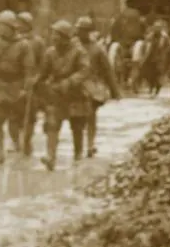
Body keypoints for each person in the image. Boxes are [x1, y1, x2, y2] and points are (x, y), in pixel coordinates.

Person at [37, 19, 90, 171]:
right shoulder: (50, 53)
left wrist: (70, 81)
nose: (53, 38)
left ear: (65, 37)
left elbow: (85, 71)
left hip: (76, 93)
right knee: (52, 124)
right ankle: (50, 156)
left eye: (57, 35)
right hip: (57, 94)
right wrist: (36, 83)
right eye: (53, 34)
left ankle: (78, 154)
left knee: (77, 126)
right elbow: (44, 73)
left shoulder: (79, 52)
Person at [0, 10, 33, 166]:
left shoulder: (23, 45)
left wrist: (25, 89)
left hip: (15, 87)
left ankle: (18, 147)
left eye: (1, 25)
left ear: (10, 27)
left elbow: (28, 69)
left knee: (14, 123)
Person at [75, 16, 120, 158]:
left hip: (93, 85)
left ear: (88, 31)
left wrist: (114, 90)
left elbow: (107, 70)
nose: (81, 32)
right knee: (76, 118)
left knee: (90, 115)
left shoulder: (97, 49)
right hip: (75, 84)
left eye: (84, 30)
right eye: (79, 30)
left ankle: (90, 143)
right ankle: (79, 147)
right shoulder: (72, 46)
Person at [17, 11, 45, 157]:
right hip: (16, 83)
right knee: (15, 115)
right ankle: (17, 142)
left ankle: (27, 141)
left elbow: (43, 63)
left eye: (22, 23)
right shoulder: (14, 41)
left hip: (32, 83)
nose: (19, 26)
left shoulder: (38, 42)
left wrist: (36, 78)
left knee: (30, 115)